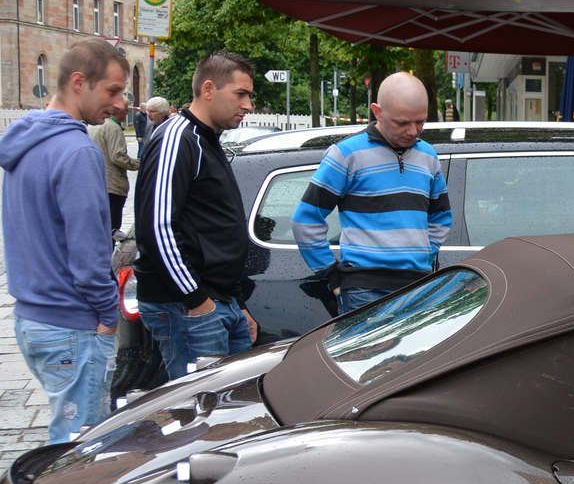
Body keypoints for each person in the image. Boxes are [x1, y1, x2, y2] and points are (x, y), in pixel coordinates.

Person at [0, 39, 129, 443]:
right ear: (78, 82)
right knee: (80, 450)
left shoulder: (26, 142)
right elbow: (88, 252)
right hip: (70, 323)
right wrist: (109, 317)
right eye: (112, 90)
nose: (121, 103)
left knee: (70, 438)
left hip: (33, 318)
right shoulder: (76, 151)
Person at [133, 50, 259, 380]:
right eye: (240, 94)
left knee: (231, 411)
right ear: (208, 90)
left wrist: (236, 303)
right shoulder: (178, 137)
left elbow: (211, 226)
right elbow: (157, 227)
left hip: (216, 300)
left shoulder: (206, 139)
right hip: (187, 305)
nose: (248, 105)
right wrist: (197, 300)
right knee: (200, 417)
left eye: (249, 95)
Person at [292, 71, 451, 314]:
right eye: (402, 122)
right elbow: (305, 219)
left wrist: (422, 254)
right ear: (377, 111)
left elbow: (441, 216)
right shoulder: (346, 154)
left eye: (420, 121)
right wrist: (331, 275)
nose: (413, 131)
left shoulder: (428, 155)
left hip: (418, 287)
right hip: (364, 292)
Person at [91, 99, 138, 232]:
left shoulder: (95, 124)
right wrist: (139, 163)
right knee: (112, 228)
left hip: (97, 182)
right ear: (119, 111)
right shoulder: (113, 127)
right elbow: (118, 157)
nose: (127, 113)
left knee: (100, 226)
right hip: (112, 184)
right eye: (127, 110)